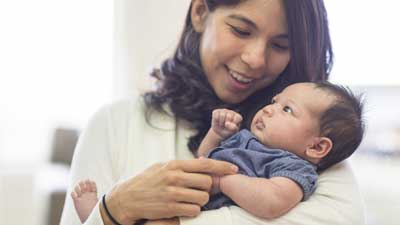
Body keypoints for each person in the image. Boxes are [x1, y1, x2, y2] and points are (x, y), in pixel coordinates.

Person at [60, 1, 365, 225]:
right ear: (200, 13)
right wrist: (113, 208)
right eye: (241, 30)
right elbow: (205, 163)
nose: (255, 59)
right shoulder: (115, 123)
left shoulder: (309, 145)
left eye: (280, 45)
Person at [70, 82, 364, 222]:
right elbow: (204, 158)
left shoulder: (294, 169)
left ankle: (100, 216)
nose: (271, 109)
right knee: (144, 203)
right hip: (186, 196)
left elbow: (272, 202)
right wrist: (216, 135)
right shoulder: (245, 138)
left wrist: (223, 180)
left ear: (316, 146)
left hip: (197, 211)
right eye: (275, 101)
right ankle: (98, 213)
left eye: (287, 109)